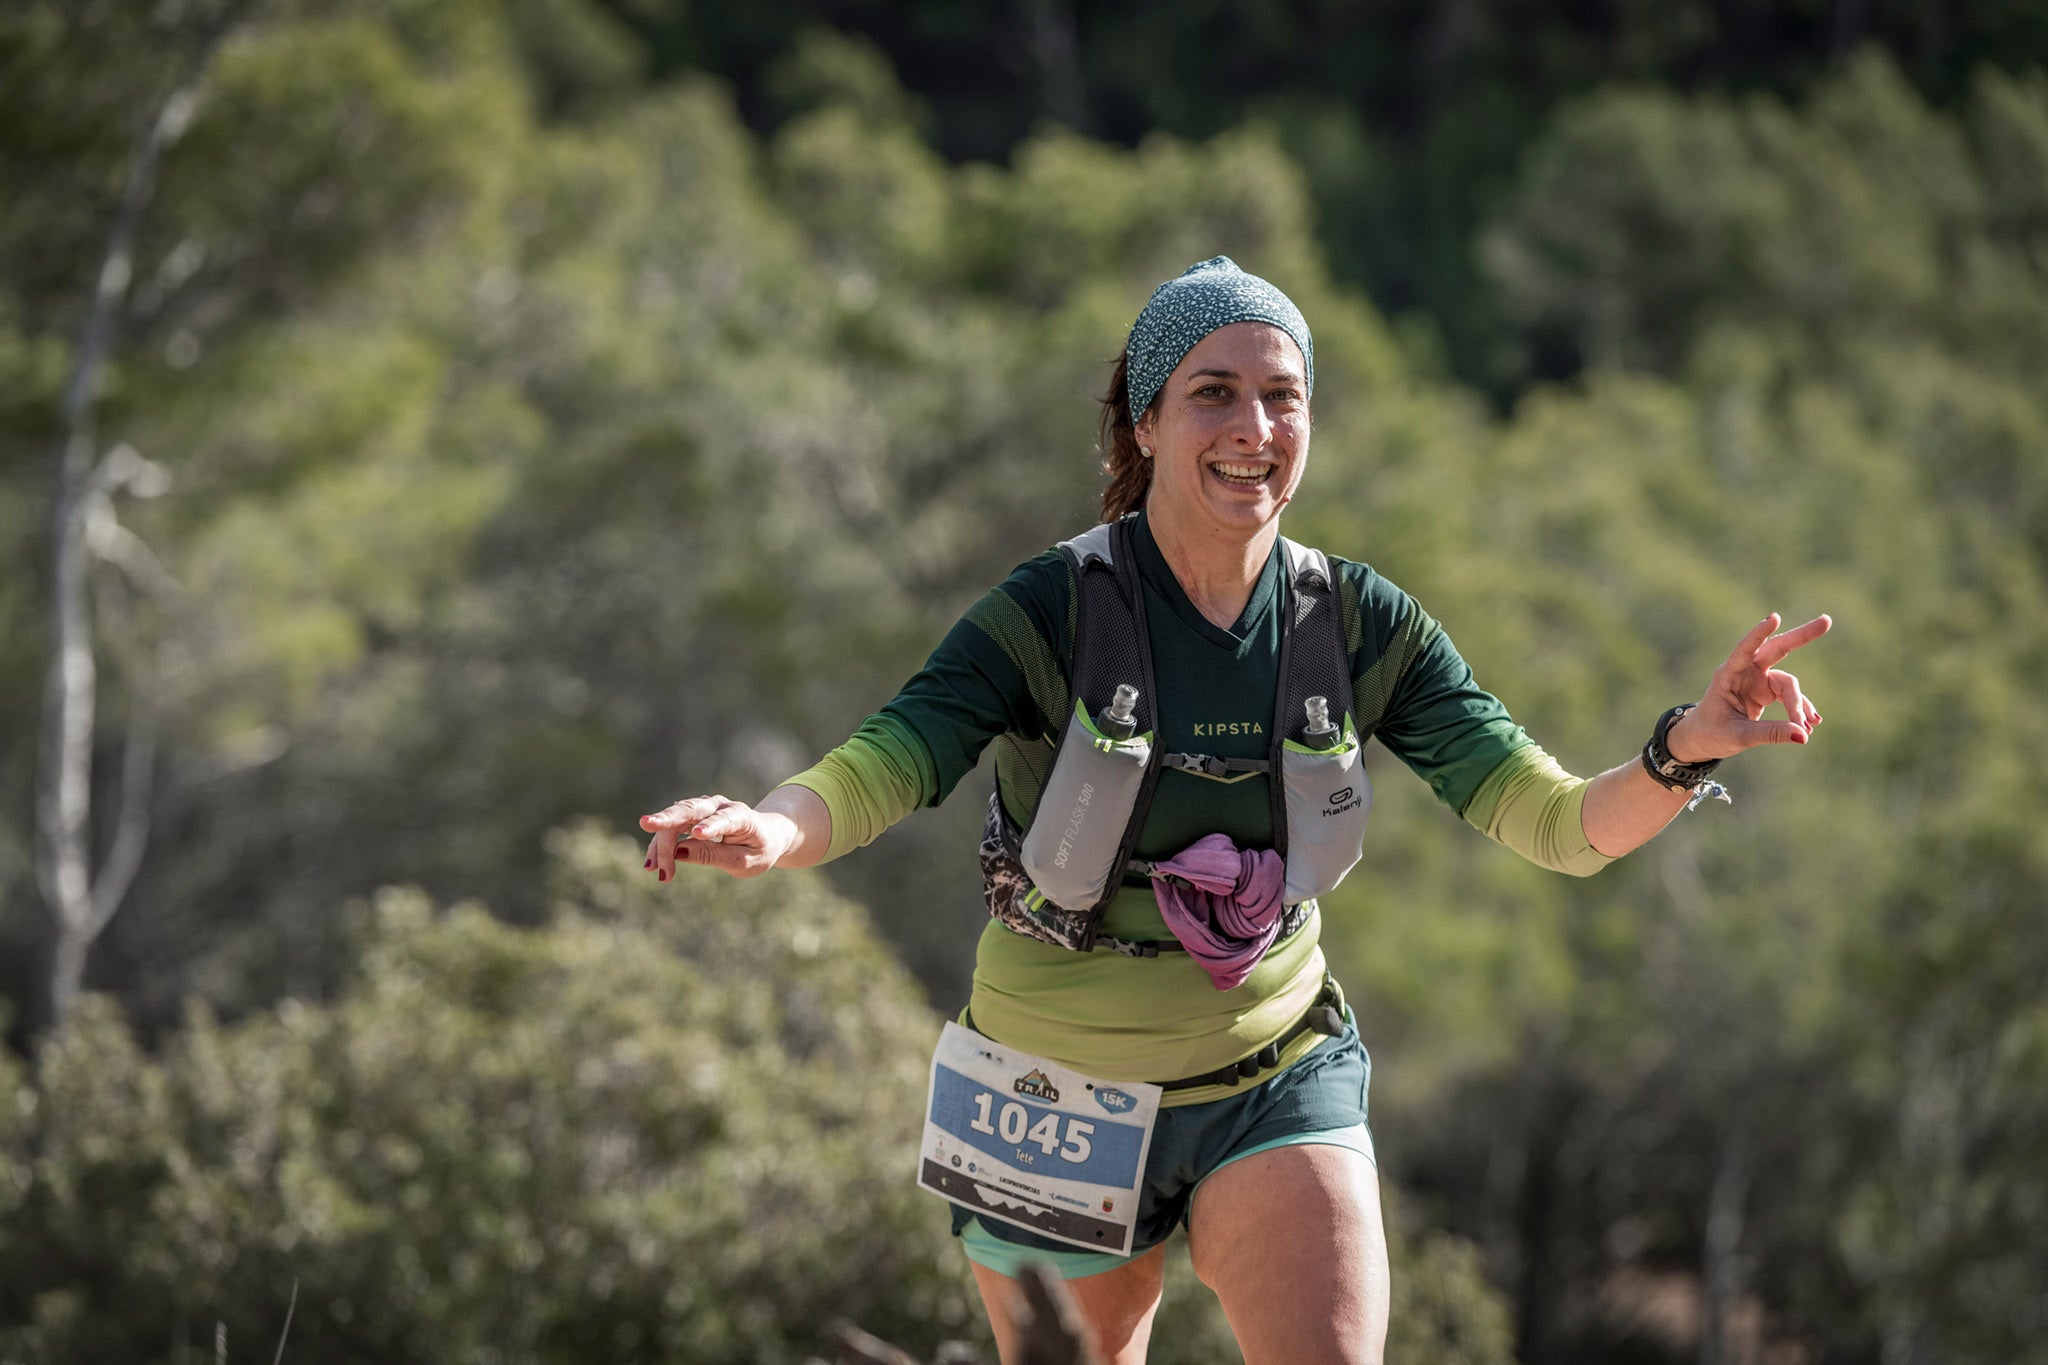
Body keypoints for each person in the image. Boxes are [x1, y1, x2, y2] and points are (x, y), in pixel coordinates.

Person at [638, 257, 1829, 1365]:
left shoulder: (1362, 623)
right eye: (1213, 394)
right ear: (1144, 421)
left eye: (1281, 396)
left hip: (1271, 1074)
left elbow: (1560, 828)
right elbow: (890, 755)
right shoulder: (1049, 608)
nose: (1252, 430)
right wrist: (774, 829)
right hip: (1051, 1095)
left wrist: (1683, 750)